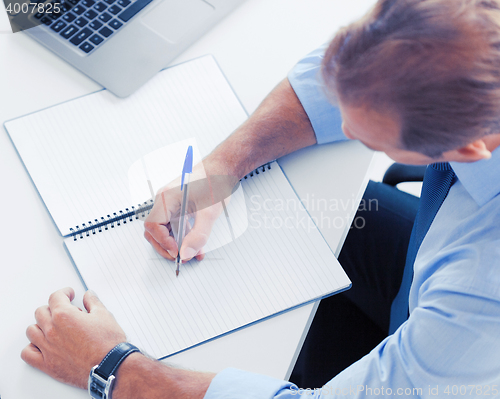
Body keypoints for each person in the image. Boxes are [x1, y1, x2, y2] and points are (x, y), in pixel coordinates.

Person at [21, 0, 500, 397]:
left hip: (459, 352)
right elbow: (328, 85)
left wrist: (115, 369)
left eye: (369, 138)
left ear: (467, 149)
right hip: (426, 267)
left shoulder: (485, 282)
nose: (345, 127)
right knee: (324, 214)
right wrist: (222, 168)